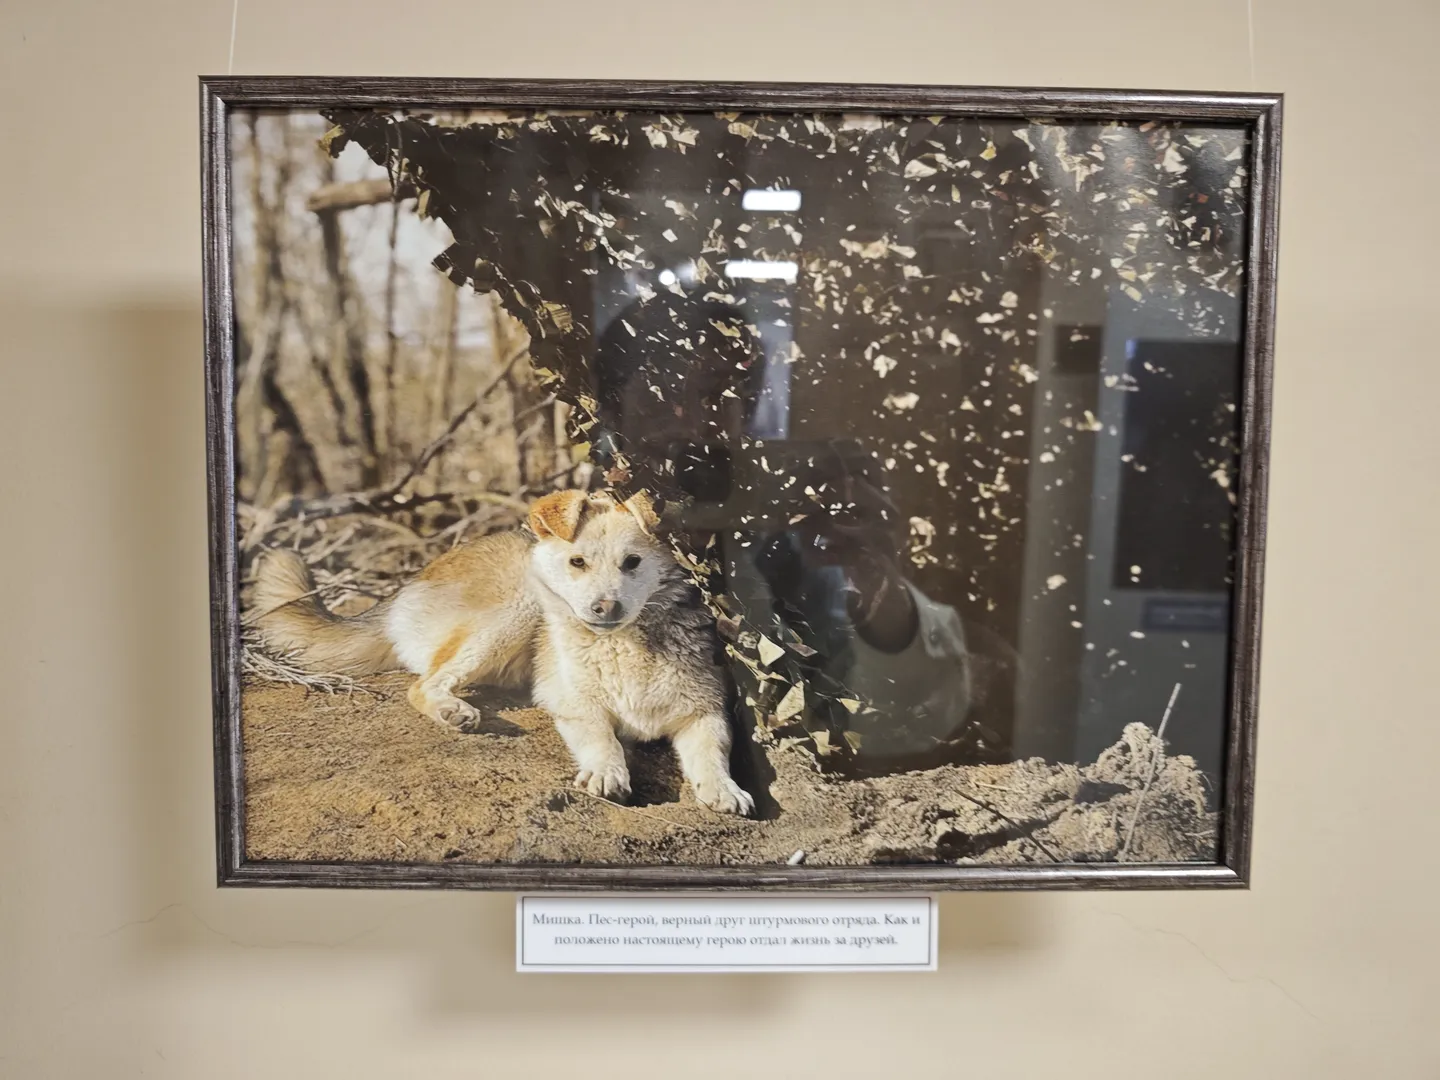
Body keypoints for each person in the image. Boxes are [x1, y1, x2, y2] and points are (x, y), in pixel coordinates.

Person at [588, 284, 994, 771]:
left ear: (749, 413)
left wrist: (883, 600)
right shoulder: (570, 543)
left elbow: (925, 720)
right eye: (662, 392)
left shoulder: (789, 552)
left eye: (719, 394)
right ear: (609, 412)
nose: (692, 424)